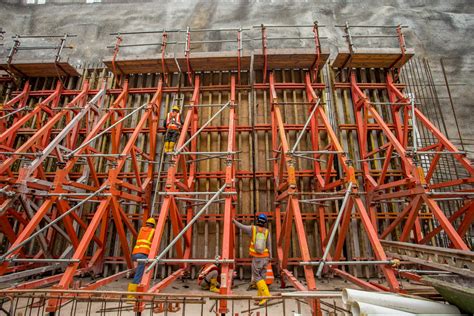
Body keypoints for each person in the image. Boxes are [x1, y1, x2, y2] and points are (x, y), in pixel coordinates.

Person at [233, 213, 271, 306]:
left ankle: (266, 296)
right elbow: (269, 245)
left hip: (257, 258)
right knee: (262, 277)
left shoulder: (252, 229)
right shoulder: (267, 231)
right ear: (265, 222)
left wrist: (233, 221)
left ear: (257, 220)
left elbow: (241, 226)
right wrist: (270, 257)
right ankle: (260, 297)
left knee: (257, 277)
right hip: (265, 257)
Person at [127, 217, 156, 298]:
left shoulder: (141, 229)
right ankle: (131, 295)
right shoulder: (153, 231)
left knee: (138, 270)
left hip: (135, 254)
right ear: (153, 225)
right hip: (143, 254)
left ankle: (136, 287)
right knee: (139, 273)